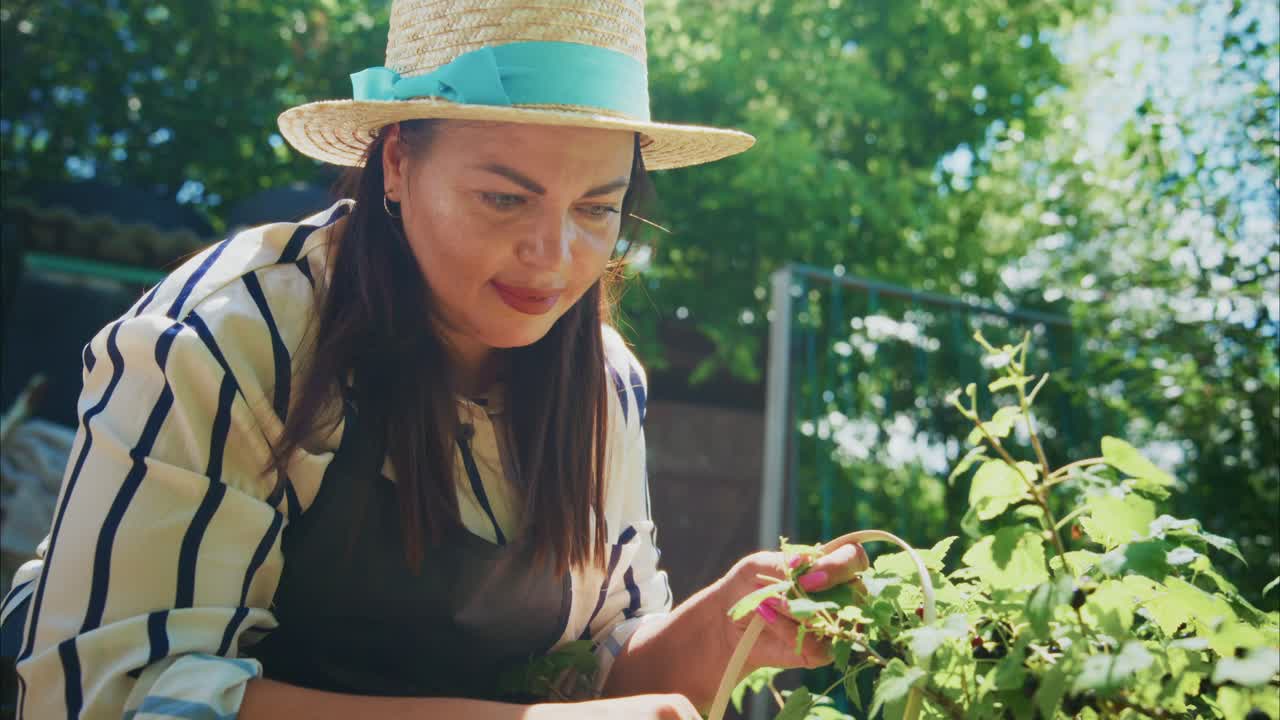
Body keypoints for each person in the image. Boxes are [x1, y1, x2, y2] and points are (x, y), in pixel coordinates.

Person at [0, 1, 869, 718]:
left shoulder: (605, 387)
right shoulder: (235, 334)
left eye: (599, 209)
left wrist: (726, 626)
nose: (555, 256)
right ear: (396, 165)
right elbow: (111, 695)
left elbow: (598, 682)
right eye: (503, 197)